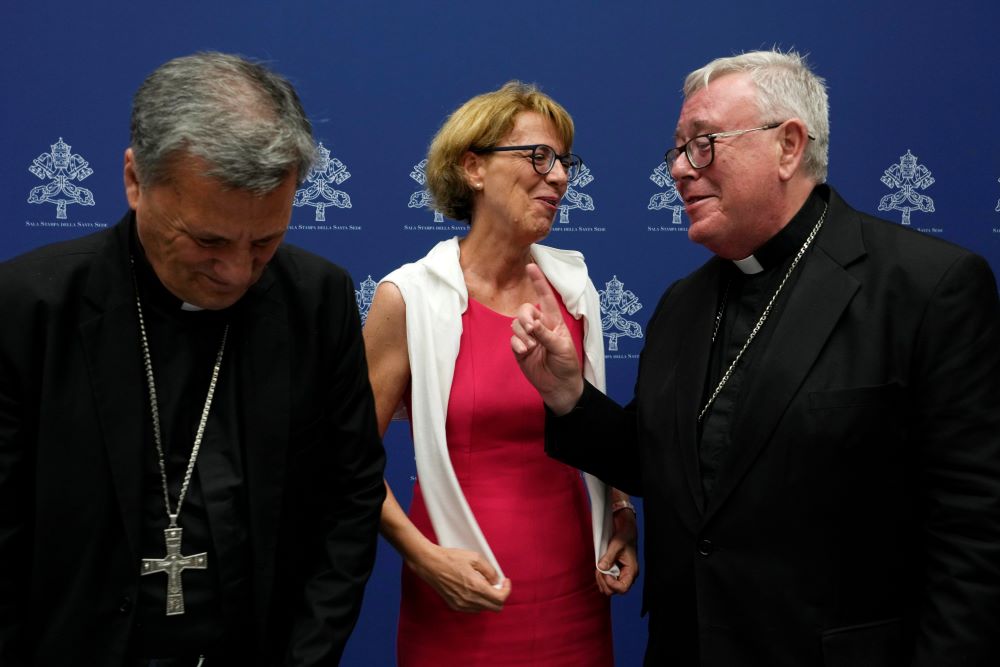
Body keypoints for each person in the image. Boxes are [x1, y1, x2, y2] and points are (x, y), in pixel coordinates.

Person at [511, 50, 1000, 666]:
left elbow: (974, 536)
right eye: (677, 150)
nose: (681, 171)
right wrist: (567, 396)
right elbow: (661, 463)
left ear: (788, 146)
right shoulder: (681, 304)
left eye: (704, 143)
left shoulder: (926, 288)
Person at [0, 52, 387, 666]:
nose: (236, 272)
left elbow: (350, 496)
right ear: (135, 181)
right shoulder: (28, 308)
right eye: (208, 240)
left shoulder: (318, 299)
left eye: (265, 241)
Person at [363, 81, 638, 666]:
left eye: (564, 161)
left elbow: (590, 427)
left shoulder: (575, 290)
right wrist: (423, 556)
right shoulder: (407, 298)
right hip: (462, 599)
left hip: (577, 598)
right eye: (538, 156)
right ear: (473, 168)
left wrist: (620, 511)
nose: (560, 176)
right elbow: (344, 459)